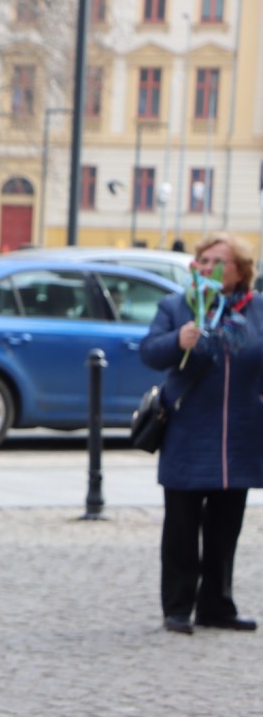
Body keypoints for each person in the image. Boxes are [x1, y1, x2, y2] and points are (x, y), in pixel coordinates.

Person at [140, 232, 263, 636]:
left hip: (239, 435)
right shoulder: (177, 307)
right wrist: (178, 340)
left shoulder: (258, 310)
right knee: (181, 528)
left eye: (218, 261)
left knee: (225, 528)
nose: (208, 267)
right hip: (188, 432)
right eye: (204, 261)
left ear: (240, 270)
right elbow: (149, 352)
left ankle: (216, 606)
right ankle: (178, 607)